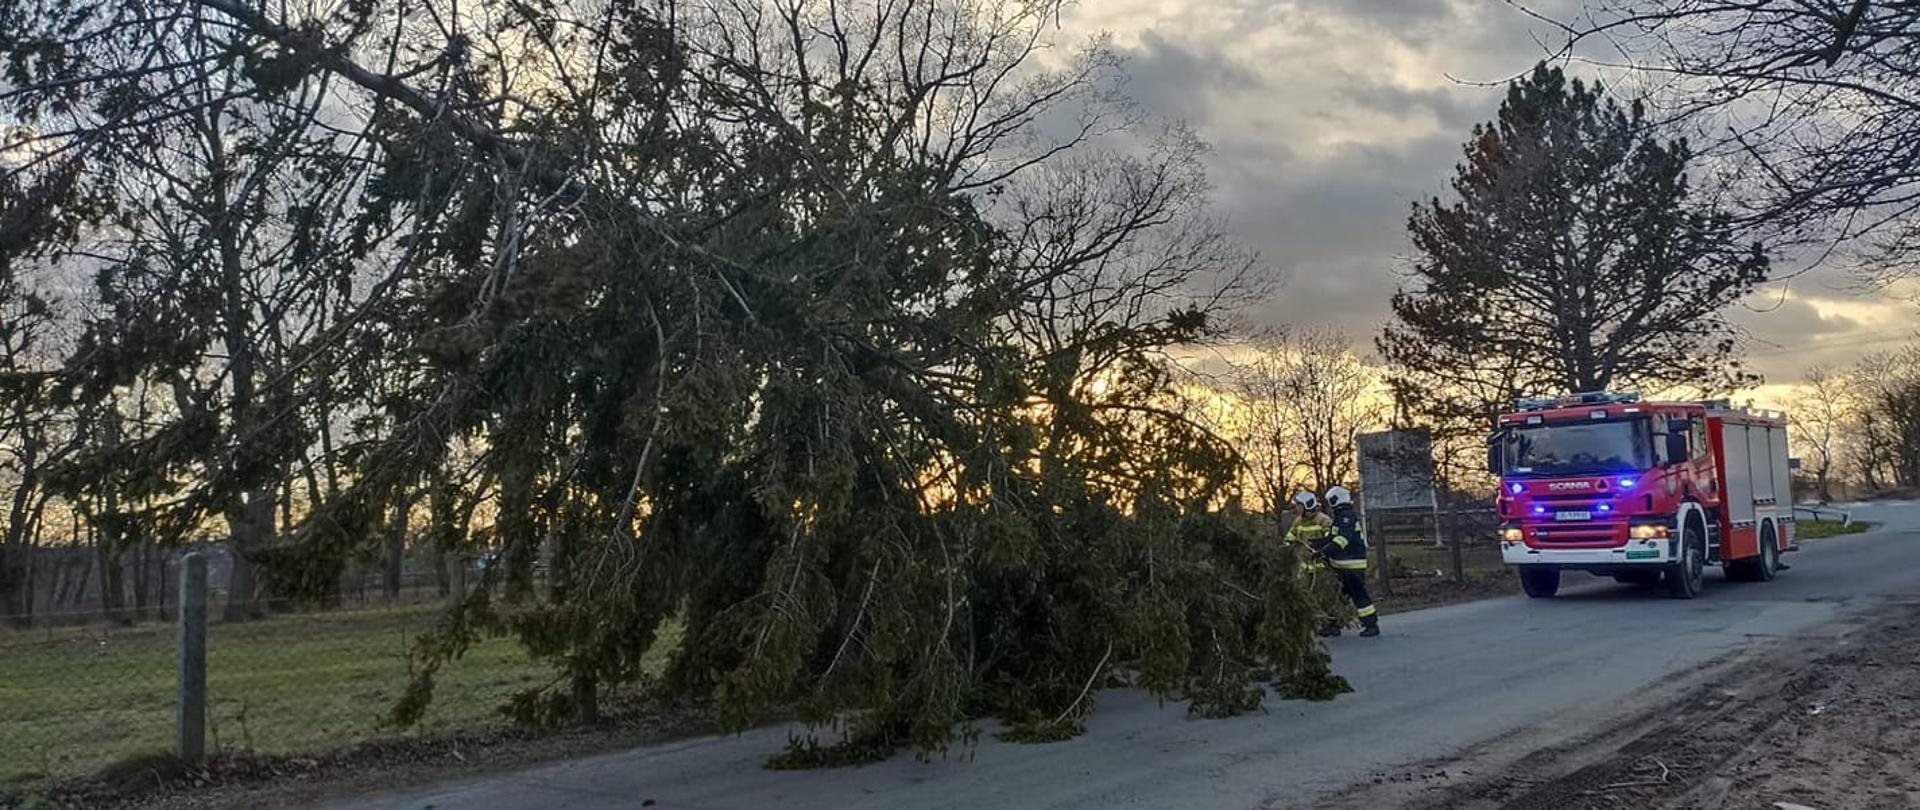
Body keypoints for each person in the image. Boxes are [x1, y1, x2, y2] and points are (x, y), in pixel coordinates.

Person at [1283, 491, 1350, 637]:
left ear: (1307, 505)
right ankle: (1312, 624)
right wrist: (1285, 548)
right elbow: (1290, 536)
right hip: (1305, 567)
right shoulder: (1298, 521)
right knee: (1306, 597)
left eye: (1299, 505)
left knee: (1325, 596)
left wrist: (1321, 549)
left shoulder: (1323, 520)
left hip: (1322, 567)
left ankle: (1332, 624)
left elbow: (1331, 539)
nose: (1297, 508)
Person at [1316, 485, 1380, 638]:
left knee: (1359, 595)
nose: (1329, 504)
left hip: (1352, 565)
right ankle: (1333, 625)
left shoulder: (1347, 516)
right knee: (1337, 596)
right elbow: (1331, 538)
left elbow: (1341, 540)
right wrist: (1316, 544)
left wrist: (1324, 552)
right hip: (1340, 565)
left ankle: (1371, 625)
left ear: (1336, 499)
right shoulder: (1339, 517)